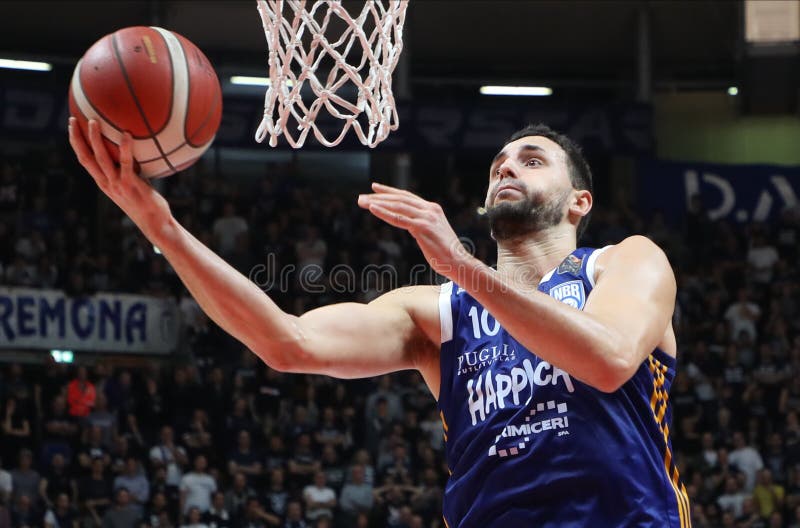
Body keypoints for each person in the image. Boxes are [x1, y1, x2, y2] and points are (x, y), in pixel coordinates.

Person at [69, 119, 689, 526]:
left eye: (531, 160)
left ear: (579, 201)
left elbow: (608, 360)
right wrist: (163, 229)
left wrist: (465, 269)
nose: (506, 168)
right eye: (499, 162)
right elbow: (285, 341)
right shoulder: (436, 315)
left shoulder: (624, 262)